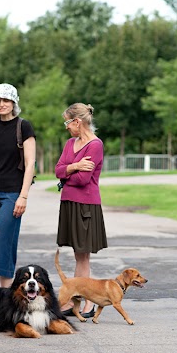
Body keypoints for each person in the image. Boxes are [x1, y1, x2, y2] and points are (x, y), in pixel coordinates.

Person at [55, 103, 107, 318]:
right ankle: (74, 303)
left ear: (77, 122)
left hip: (85, 205)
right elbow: (58, 171)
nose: (66, 127)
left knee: (83, 256)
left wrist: (68, 173)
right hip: (68, 203)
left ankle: (88, 304)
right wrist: (74, 167)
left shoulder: (95, 145)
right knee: (77, 255)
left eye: (68, 122)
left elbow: (84, 180)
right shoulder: (70, 143)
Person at [0, 83, 36, 288]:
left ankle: (6, 296)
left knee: (2, 243)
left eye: (6, 100)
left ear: (14, 102)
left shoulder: (23, 126)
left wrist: (23, 196)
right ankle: (4, 296)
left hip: (12, 194)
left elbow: (30, 162)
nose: (1, 104)